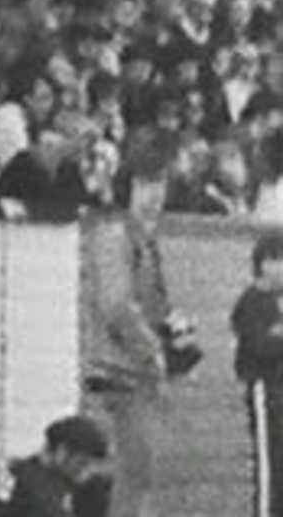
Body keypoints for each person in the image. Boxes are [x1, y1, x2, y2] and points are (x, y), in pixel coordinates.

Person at [83, 136, 187, 516]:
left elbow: (150, 306)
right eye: (145, 184)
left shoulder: (143, 240)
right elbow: (116, 307)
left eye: (159, 183)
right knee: (132, 477)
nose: (154, 195)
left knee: (140, 475)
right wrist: (153, 348)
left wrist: (175, 329)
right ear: (127, 185)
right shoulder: (114, 235)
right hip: (122, 374)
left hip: (139, 374)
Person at [232, 228, 279, 517]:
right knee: (268, 470)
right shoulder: (250, 302)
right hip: (267, 394)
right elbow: (259, 345)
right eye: (274, 259)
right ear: (261, 263)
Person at [0, 412, 112, 517]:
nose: (84, 470)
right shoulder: (24, 481)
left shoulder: (62, 477)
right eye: (81, 463)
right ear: (63, 452)